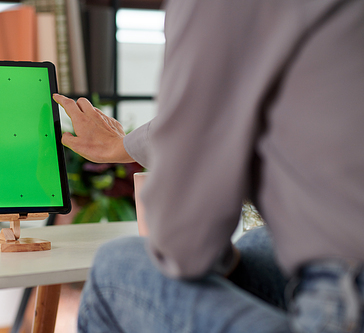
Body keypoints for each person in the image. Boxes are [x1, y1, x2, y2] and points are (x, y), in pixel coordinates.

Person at [53, 0, 364, 331]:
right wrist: (125, 145)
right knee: (259, 245)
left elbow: (184, 246)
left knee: (114, 269)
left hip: (345, 295)